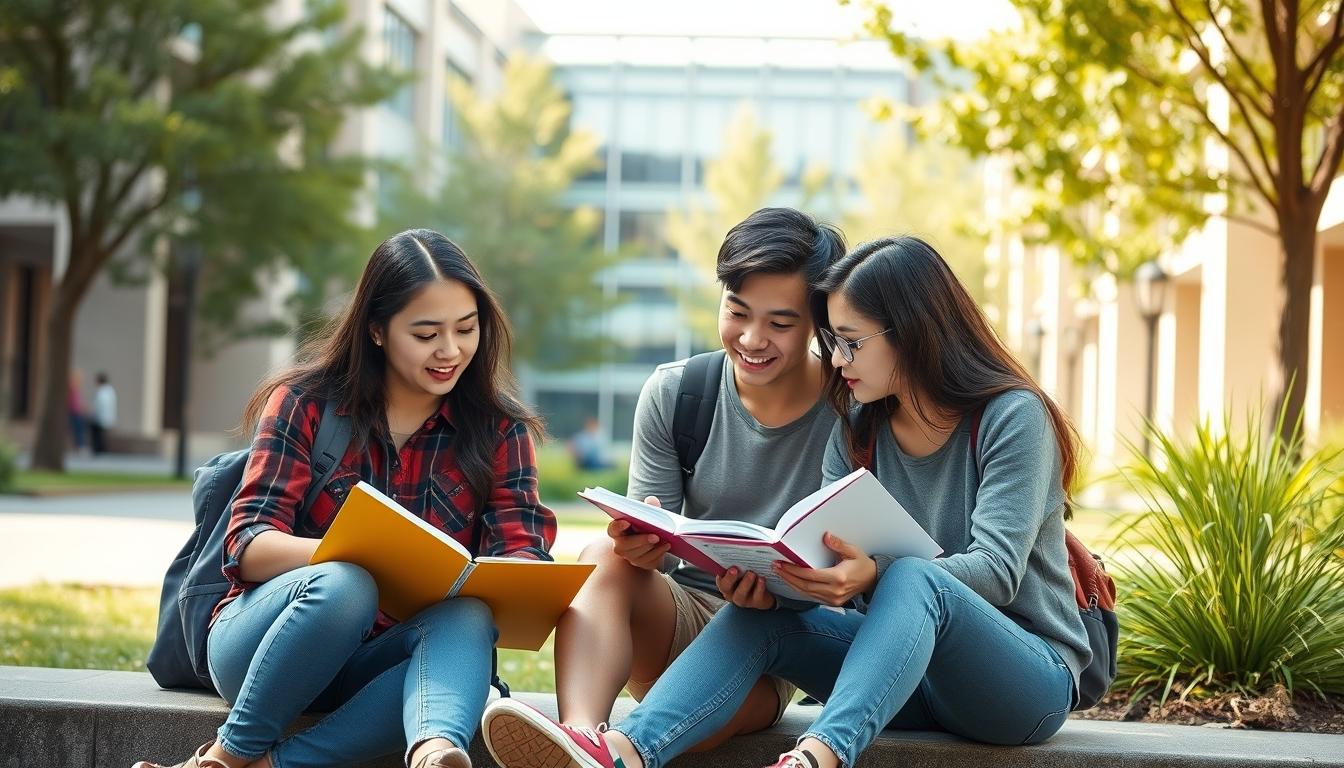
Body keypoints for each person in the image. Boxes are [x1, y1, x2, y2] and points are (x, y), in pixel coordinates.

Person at [481, 235, 1091, 768]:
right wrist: (778, 577)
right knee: (763, 615)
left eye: (849, 342)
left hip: (1016, 683)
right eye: (834, 341)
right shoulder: (857, 425)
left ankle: (818, 757)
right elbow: (824, 563)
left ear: (908, 335)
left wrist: (875, 576)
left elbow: (998, 571)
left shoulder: (1012, 417)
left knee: (911, 578)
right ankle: (623, 753)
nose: (838, 361)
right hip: (900, 676)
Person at [133, 229, 555, 768]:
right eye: (426, 334)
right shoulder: (304, 404)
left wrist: (505, 576)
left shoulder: (500, 432)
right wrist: (364, 555)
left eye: (466, 329)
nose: (450, 351)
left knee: (469, 619)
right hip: (271, 643)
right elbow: (247, 545)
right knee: (346, 584)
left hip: (380, 665)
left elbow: (525, 562)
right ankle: (225, 757)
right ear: (377, 331)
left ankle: (433, 751)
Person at [481, 207, 846, 761]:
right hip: (678, 620)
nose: (751, 338)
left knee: (739, 669)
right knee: (603, 551)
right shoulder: (678, 395)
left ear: (818, 322)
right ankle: (581, 738)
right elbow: (659, 564)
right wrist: (643, 546)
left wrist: (781, 593)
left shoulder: (851, 412)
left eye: (780, 322)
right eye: (737, 311)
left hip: (774, 646)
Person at [91, 371, 116, 455]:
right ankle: (101, 450)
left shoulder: (102, 391)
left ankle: (99, 451)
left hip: (101, 418)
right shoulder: (110, 390)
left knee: (98, 436)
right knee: (102, 436)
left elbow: (99, 405)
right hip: (107, 417)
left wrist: (94, 415)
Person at [67, 369, 88, 455]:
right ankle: (78, 447)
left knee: (79, 430)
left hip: (77, 413)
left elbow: (79, 402)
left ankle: (79, 447)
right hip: (73, 413)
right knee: (77, 431)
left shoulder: (76, 389)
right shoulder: (71, 389)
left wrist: (83, 407)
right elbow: (72, 403)